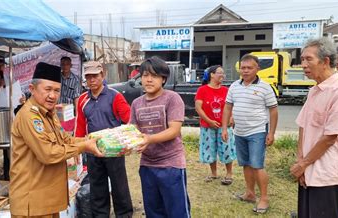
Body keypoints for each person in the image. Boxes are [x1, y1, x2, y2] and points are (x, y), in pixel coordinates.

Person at [10, 62, 103, 217]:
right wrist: (84, 147)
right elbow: (48, 153)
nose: (52, 95)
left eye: (57, 90)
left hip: (47, 199)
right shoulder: (29, 116)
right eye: (47, 89)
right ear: (32, 89)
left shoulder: (48, 112)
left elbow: (64, 139)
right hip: (32, 201)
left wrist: (89, 139)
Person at [290, 37, 338, 218]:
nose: (303, 64)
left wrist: (303, 164)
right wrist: (300, 162)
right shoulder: (314, 90)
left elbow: (330, 137)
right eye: (302, 59)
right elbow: (303, 126)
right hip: (309, 169)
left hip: (328, 173)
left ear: (325, 61)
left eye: (308, 59)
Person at [130, 57, 190, 218]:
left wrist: (148, 139)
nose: (149, 80)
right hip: (147, 165)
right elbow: (133, 130)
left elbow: (174, 130)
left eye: (154, 76)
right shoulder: (136, 103)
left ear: (163, 79)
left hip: (171, 165)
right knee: (153, 211)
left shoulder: (172, 98)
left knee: (177, 211)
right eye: (145, 75)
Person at [74, 61, 133, 217]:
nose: (92, 80)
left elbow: (130, 120)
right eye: (88, 77)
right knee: (97, 188)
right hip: (93, 151)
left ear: (103, 75)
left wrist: (128, 141)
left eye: (95, 76)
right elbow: (79, 127)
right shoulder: (82, 100)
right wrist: (77, 150)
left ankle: (124, 215)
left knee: (119, 188)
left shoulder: (115, 96)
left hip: (114, 151)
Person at [221, 54, 278, 214]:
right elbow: (227, 107)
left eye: (249, 68)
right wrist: (224, 128)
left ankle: (264, 198)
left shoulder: (265, 87)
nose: (245, 71)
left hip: (258, 131)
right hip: (239, 132)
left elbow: (273, 111)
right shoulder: (234, 86)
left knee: (257, 165)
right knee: (245, 163)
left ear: (257, 68)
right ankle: (250, 193)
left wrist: (271, 132)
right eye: (243, 68)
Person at [195, 65, 236, 185]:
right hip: (208, 126)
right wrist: (209, 121)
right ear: (212, 74)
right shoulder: (202, 90)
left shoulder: (226, 90)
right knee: (209, 149)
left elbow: (231, 106)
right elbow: (198, 108)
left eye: (223, 73)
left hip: (224, 126)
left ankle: (229, 173)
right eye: (219, 73)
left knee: (227, 148)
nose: (222, 75)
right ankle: (214, 173)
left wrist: (232, 117)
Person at [58, 56, 81, 132]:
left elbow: (76, 98)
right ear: (60, 65)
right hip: (57, 111)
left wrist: (78, 116)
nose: (65, 66)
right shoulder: (57, 77)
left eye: (67, 64)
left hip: (69, 113)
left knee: (68, 133)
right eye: (63, 64)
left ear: (71, 65)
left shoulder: (76, 79)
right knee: (58, 133)